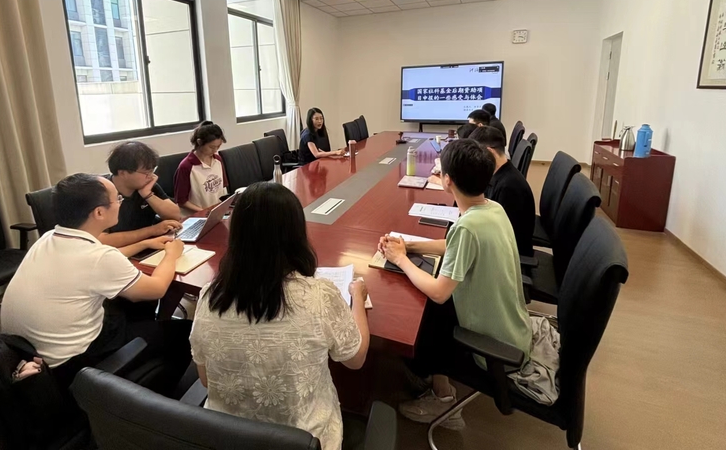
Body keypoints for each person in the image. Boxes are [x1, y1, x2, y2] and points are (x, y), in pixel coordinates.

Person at [189, 182, 370, 450]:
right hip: (305, 440)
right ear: (296, 235)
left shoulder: (209, 297)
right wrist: (358, 298)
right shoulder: (318, 296)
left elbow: (206, 381)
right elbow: (355, 359)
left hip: (227, 440)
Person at [378, 139, 531, 429]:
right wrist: (408, 245)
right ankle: (431, 377)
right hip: (512, 327)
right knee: (430, 301)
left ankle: (443, 398)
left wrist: (401, 260)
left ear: (447, 180)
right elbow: (452, 245)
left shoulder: (468, 227)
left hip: (494, 345)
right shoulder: (493, 209)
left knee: (427, 311)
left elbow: (439, 292)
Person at [1, 174, 193, 394]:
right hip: (71, 365)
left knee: (131, 306)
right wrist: (172, 253)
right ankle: (159, 398)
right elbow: (156, 288)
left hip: (30, 352)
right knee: (185, 331)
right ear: (99, 212)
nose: (120, 203)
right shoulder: (99, 258)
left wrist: (145, 244)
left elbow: (101, 259)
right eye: (117, 199)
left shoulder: (48, 238)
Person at [100, 141, 182, 251]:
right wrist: (152, 230)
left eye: (152, 171)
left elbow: (176, 215)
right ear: (123, 173)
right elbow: (102, 240)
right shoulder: (100, 193)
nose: (151, 176)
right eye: (146, 173)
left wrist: (148, 195)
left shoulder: (147, 186)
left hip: (150, 246)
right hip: (121, 253)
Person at [470, 126, 535, 258]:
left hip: (509, 257)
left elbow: (502, 240)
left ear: (489, 152)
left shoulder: (509, 188)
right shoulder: (499, 173)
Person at [175, 121, 228, 217]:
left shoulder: (218, 160)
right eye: (211, 147)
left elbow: (223, 187)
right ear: (199, 142)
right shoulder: (186, 166)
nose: (215, 150)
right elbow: (181, 201)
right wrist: (204, 212)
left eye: (218, 146)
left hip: (215, 213)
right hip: (195, 217)